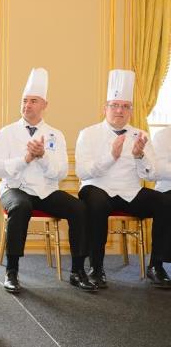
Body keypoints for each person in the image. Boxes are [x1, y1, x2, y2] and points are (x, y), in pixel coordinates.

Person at [0, 68, 97, 293]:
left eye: (33, 101)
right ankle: (12, 271)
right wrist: (25, 159)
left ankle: (78, 270)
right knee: (21, 206)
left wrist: (42, 157)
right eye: (24, 101)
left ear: (44, 105)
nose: (27, 105)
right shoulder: (6, 133)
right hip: (14, 188)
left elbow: (61, 173)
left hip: (46, 190)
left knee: (79, 208)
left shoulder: (55, 135)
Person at [76, 69, 171, 289]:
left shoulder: (139, 135)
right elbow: (83, 172)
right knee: (97, 204)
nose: (119, 111)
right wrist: (111, 157)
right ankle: (96, 267)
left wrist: (140, 156)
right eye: (115, 105)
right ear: (105, 108)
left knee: (166, 202)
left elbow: (152, 174)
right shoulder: (88, 134)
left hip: (129, 190)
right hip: (97, 187)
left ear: (131, 110)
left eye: (125, 106)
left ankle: (156, 265)